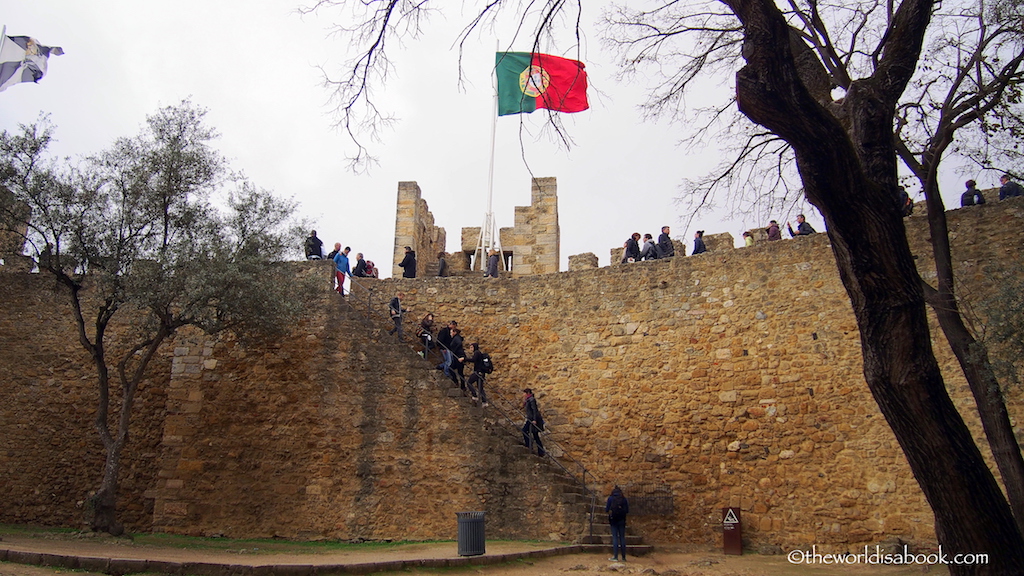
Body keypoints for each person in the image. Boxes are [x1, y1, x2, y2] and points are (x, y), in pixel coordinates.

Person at [606, 486, 629, 562]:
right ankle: (623, 557)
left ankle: (615, 556)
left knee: (615, 537)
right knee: (622, 537)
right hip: (622, 520)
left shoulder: (610, 498)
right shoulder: (624, 499)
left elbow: (607, 509)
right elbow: (627, 510)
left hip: (613, 520)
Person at [521, 388, 545, 457]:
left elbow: (534, 410)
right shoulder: (528, 400)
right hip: (531, 419)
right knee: (535, 435)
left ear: (527, 393)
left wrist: (534, 420)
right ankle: (541, 452)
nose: (523, 394)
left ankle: (529, 445)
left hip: (532, 419)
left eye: (524, 393)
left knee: (524, 430)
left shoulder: (531, 400)